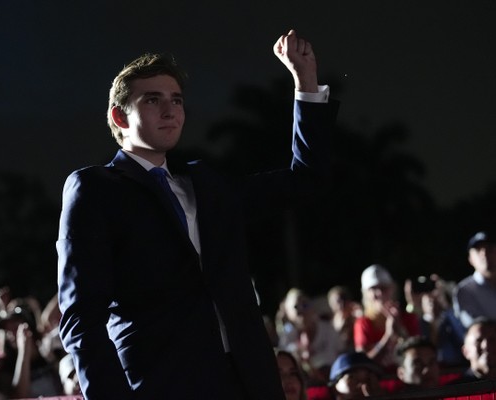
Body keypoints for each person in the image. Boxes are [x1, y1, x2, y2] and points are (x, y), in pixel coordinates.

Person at [57, 29, 336, 400]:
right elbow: (81, 319)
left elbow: (307, 179)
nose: (170, 110)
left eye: (176, 99)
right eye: (152, 100)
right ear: (119, 117)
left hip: (251, 381)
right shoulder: (95, 188)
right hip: (163, 383)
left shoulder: (206, 184)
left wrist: (306, 82)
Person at [452, 231, 496, 360]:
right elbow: (476, 327)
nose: (484, 254)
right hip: (485, 360)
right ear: (470, 258)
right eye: (478, 250)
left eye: (490, 249)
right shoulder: (464, 291)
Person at [353, 265, 420, 372]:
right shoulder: (363, 323)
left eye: (383, 288)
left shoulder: (408, 318)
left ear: (392, 289)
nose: (379, 293)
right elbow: (363, 363)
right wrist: (388, 336)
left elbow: (419, 354)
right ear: (366, 294)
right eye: (373, 289)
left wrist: (400, 328)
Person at [276, 288, 341, 383]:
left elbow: (337, 355)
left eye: (305, 305)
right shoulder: (287, 338)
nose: (302, 310)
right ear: (288, 312)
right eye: (296, 307)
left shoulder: (328, 329)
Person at [450, 318, 496, 384]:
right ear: (465, 351)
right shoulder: (457, 388)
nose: (486, 346)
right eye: (479, 341)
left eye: (492, 340)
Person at [327, 286, 361, 353]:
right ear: (331, 304)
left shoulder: (355, 315)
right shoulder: (331, 322)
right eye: (337, 301)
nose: (341, 304)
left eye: (344, 299)